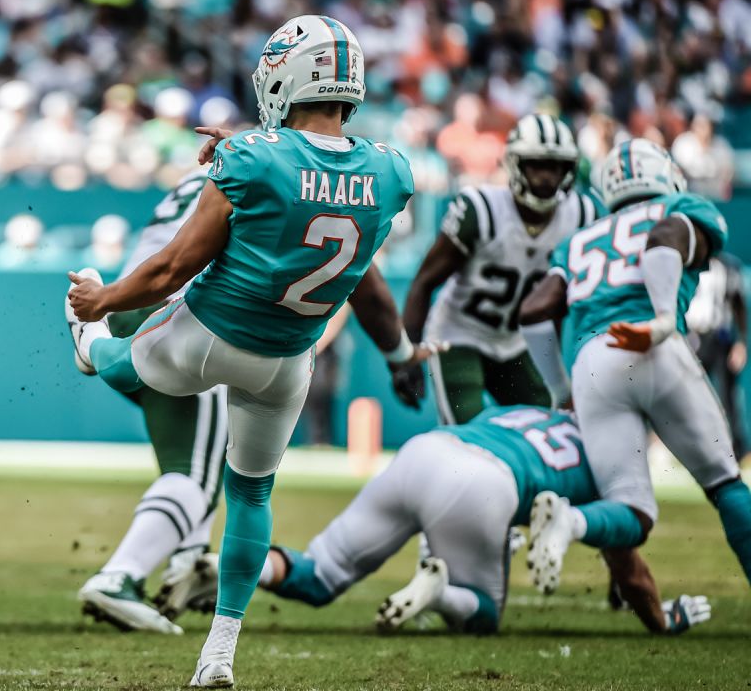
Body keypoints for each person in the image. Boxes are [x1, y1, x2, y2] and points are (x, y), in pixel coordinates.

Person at [65, 16, 437, 688]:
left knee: (114, 356)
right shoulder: (392, 173)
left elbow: (169, 268)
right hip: (287, 365)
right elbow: (325, 185)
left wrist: (103, 303)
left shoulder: (249, 158)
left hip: (205, 339)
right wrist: (404, 353)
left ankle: (85, 343)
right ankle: (219, 654)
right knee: (252, 493)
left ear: (287, 78)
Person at [518, 139, 751, 594]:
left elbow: (533, 311)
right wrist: (663, 319)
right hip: (653, 343)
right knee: (725, 486)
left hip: (593, 363)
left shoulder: (581, 239)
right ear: (663, 174)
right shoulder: (681, 205)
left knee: (632, 508)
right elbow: (664, 240)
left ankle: (570, 522)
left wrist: (559, 389)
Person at [258, 406, 711, 636]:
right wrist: (662, 618)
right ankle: (441, 593)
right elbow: (629, 571)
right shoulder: (609, 460)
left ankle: (227, 567)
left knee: (319, 575)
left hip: (426, 450)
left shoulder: (531, 413)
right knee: (484, 613)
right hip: (484, 483)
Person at [77, 168, 227, 635]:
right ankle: (119, 576)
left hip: (130, 304)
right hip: (178, 315)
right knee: (197, 477)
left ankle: (189, 562)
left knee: (194, 459)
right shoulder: (274, 165)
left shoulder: (210, 168)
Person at [396, 113, 598, 421]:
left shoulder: (581, 215)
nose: (546, 176)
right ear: (516, 165)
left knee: (541, 434)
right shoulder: (483, 210)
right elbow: (424, 281)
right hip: (458, 335)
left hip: (516, 343)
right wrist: (407, 357)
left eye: (554, 166)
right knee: (466, 439)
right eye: (536, 165)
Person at [686, 252, 747, 458]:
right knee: (691, 395)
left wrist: (741, 343)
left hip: (721, 338)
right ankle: (694, 449)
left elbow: (738, 305)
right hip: (695, 337)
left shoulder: (728, 266)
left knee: (727, 396)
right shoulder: (689, 264)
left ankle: (736, 450)